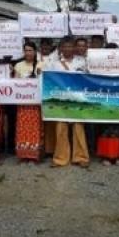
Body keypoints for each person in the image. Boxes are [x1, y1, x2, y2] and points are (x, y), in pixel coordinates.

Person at [46, 36, 90, 168]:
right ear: (60, 48)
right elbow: (48, 80)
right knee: (61, 128)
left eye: (70, 46)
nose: (68, 49)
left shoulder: (82, 62)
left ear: (74, 48)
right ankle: (60, 158)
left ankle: (81, 157)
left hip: (78, 100)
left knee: (78, 128)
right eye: (65, 46)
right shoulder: (54, 64)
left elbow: (88, 78)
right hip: (61, 101)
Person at [13, 42, 43, 163]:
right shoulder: (18, 66)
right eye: (26, 50)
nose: (28, 53)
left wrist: (40, 74)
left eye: (30, 50)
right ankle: (23, 155)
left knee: (35, 129)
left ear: (35, 52)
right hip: (23, 102)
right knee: (22, 128)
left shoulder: (41, 65)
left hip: (35, 104)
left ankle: (34, 155)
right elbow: (14, 83)